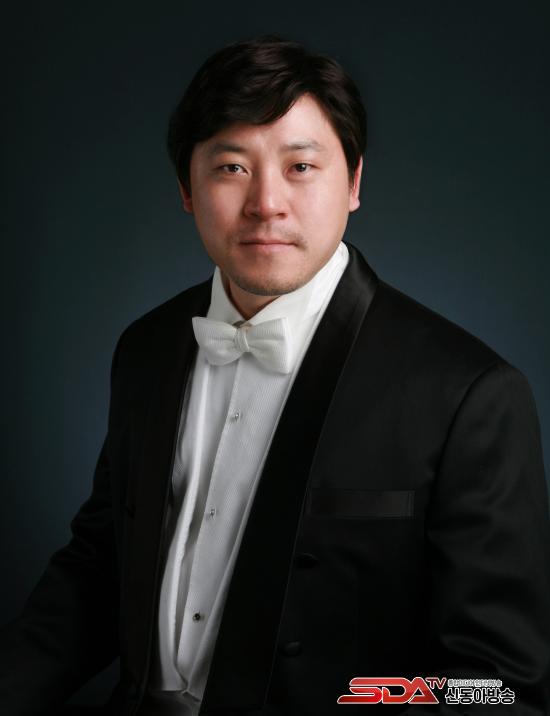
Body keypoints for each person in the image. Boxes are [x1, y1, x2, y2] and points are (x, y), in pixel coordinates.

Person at [1, 35, 549, 716]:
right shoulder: (146, 347)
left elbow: (497, 684)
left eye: (300, 166)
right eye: (231, 167)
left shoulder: (470, 393)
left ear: (353, 182)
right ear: (186, 188)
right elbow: (99, 567)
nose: (266, 203)